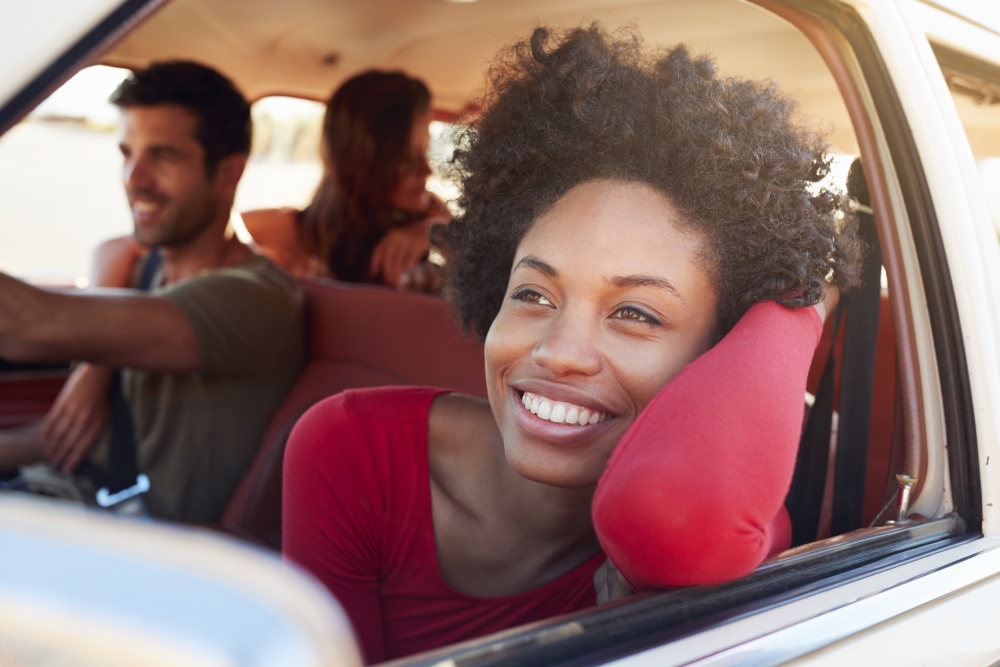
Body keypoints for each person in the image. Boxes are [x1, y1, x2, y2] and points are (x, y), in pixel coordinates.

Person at [281, 25, 861, 663]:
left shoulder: (723, 507)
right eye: (533, 295)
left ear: (719, 354)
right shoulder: (350, 448)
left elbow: (681, 521)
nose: (559, 351)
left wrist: (797, 300)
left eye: (635, 312)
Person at [0, 61, 305, 524]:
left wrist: (94, 356)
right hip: (57, 495)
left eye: (162, 156)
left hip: (121, 542)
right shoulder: (152, 271)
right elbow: (64, 437)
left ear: (228, 174)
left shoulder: (255, 298)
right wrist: (95, 362)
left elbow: (25, 326)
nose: (134, 178)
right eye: (127, 153)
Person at [243, 69, 450, 290]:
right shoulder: (285, 235)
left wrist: (436, 232)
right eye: (406, 158)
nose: (428, 171)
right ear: (360, 161)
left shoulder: (438, 218)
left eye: (426, 150)